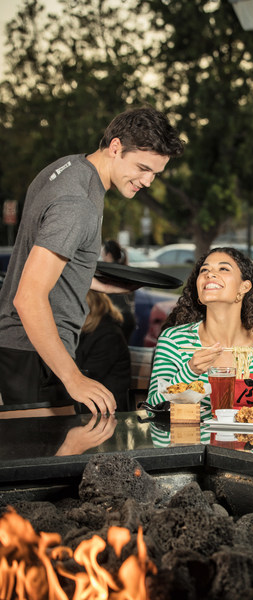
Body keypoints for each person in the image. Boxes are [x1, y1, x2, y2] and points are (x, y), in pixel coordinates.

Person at [0, 106, 184, 415]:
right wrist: (74, 378)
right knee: (47, 461)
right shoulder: (77, 205)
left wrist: (91, 278)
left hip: (23, 351)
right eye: (142, 167)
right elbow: (28, 298)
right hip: (34, 353)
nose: (148, 181)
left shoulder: (68, 168)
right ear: (115, 147)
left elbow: (45, 259)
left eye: (155, 173)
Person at [147, 247, 253, 420]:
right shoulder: (174, 341)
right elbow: (153, 408)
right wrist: (190, 370)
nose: (209, 274)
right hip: (194, 444)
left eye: (223, 269)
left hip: (252, 444)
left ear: (244, 287)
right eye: (204, 270)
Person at [75, 290, 131, 411]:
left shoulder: (109, 335)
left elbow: (88, 377)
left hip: (106, 408)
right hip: (94, 403)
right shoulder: (90, 331)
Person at [100, 239, 136, 343]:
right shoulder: (125, 269)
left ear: (109, 254)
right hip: (129, 318)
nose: (101, 255)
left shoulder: (108, 272)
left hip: (115, 318)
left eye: (103, 252)